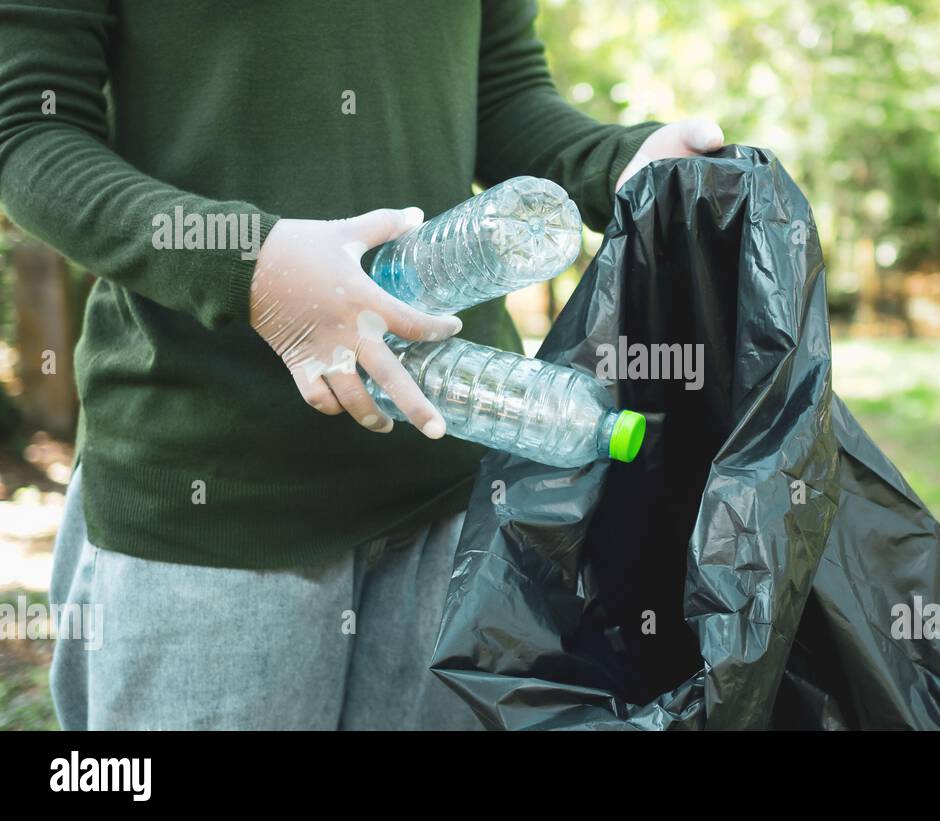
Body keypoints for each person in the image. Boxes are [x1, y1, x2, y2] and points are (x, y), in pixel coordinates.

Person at [0, 0, 723, 729]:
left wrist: (621, 165)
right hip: (214, 508)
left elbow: (498, 93)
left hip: (455, 491)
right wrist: (245, 263)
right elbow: (28, 130)